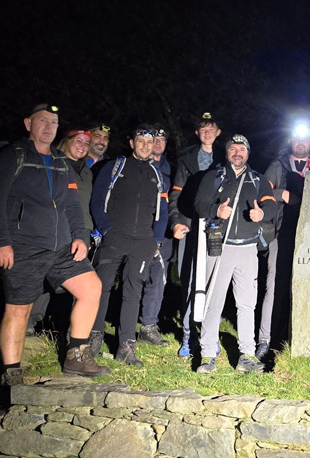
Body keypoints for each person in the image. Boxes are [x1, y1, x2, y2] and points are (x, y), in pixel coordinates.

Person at [0, 104, 109, 385]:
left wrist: (79, 236)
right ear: (28, 123)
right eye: (43, 121)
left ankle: (76, 355)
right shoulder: (12, 156)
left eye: (53, 122)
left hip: (61, 247)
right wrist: (2, 241)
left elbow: (72, 206)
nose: (49, 126)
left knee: (92, 287)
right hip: (23, 246)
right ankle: (11, 372)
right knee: (19, 309)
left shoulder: (60, 161)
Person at [194, 134, 276, 374]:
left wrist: (262, 214)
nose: (237, 152)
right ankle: (208, 354)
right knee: (213, 302)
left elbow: (270, 204)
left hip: (248, 249)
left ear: (248, 154)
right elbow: (199, 203)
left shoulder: (259, 179)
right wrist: (215, 209)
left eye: (242, 149)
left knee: (247, 304)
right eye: (233, 148)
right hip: (220, 247)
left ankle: (247, 355)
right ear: (227, 152)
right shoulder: (213, 176)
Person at [90, 124, 167, 366]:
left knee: (133, 292)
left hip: (143, 242)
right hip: (114, 237)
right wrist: (106, 229)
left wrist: (156, 240)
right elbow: (97, 200)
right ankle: (93, 335)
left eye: (149, 142)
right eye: (140, 141)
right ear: (132, 143)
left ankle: (126, 345)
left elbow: (162, 211)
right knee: (100, 288)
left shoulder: (157, 174)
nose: (145, 146)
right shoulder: (115, 166)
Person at [257, 122, 310, 360]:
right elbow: (260, 191)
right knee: (274, 286)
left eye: (305, 139)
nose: (300, 143)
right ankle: (266, 340)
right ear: (291, 142)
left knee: (307, 289)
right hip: (281, 235)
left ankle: (304, 338)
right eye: (296, 139)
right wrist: (282, 194)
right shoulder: (277, 166)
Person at [27, 129, 94, 336]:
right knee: (42, 277)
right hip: (56, 229)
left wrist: (86, 233)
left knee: (73, 282)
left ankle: (60, 325)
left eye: (86, 143)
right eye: (78, 141)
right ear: (67, 141)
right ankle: (29, 321)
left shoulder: (87, 172)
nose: (82, 146)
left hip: (81, 232)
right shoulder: (54, 163)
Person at [168, 112, 224, 358]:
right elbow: (175, 195)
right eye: (203, 129)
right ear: (197, 133)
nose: (207, 133)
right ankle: (188, 335)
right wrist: (176, 223)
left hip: (216, 226)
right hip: (190, 225)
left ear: (218, 132)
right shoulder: (186, 160)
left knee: (215, 281)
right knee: (190, 281)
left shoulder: (226, 157)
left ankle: (210, 335)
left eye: (211, 129)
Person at [138, 125, 172, 346]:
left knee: (158, 278)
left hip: (161, 233)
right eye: (154, 139)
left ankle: (148, 326)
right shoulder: (134, 166)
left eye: (162, 139)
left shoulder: (171, 170)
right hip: (136, 229)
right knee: (133, 278)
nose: (157, 143)